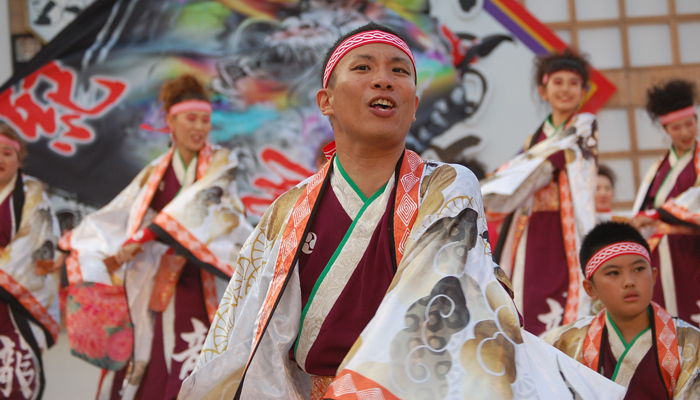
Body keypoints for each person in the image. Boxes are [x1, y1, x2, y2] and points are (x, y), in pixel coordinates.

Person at [179, 24, 624, 400]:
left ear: (413, 105)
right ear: (325, 101)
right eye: (363, 68)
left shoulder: (447, 186)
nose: (383, 79)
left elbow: (440, 308)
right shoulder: (287, 210)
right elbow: (240, 333)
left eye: (399, 71)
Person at [59, 75, 252, 400]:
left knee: (198, 357)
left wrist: (146, 235)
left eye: (205, 120)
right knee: (153, 360)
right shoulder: (155, 172)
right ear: (170, 121)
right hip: (159, 281)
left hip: (205, 277)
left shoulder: (221, 163)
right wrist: (86, 244)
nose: (199, 127)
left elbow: (199, 206)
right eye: (191, 118)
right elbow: (122, 214)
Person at [482, 50, 598, 336]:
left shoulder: (582, 128)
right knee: (527, 298)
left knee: (567, 305)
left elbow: (534, 172)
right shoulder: (534, 140)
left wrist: (490, 191)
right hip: (532, 231)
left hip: (564, 231)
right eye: (558, 82)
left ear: (584, 91)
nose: (566, 89)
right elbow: (519, 172)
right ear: (543, 90)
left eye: (574, 83)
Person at [545, 221, 700, 399]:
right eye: (613, 273)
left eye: (639, 269)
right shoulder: (563, 343)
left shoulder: (691, 343)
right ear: (590, 289)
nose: (629, 281)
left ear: (654, 275)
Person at [630, 80, 700, 327]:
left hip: (692, 252)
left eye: (690, 124)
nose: (685, 133)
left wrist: (658, 214)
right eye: (676, 127)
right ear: (666, 130)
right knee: (665, 319)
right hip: (662, 253)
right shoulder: (658, 168)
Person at [0, 122, 60, 399]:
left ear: (18, 158)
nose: (0, 159)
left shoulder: (34, 196)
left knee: (14, 379)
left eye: (7, 153)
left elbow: (40, 248)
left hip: (15, 302)